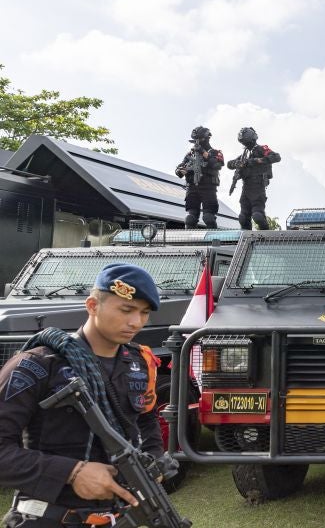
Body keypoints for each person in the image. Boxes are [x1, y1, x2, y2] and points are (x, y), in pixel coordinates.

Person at [0, 263, 164, 527]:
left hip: (116, 518)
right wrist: (72, 473)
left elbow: (147, 423)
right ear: (92, 306)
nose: (136, 322)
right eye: (126, 310)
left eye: (144, 313)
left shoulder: (139, 364)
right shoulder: (38, 365)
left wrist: (153, 463)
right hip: (46, 518)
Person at [226, 127, 281, 230]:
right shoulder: (244, 155)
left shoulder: (262, 149)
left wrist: (257, 161)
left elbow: (276, 157)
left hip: (258, 187)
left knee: (258, 216)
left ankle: (266, 237)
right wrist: (237, 163)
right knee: (243, 218)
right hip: (246, 188)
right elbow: (229, 164)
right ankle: (247, 240)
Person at [175, 126, 224, 229]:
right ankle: (190, 243)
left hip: (208, 188)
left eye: (199, 139)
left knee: (209, 218)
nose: (197, 142)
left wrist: (202, 151)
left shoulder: (215, 152)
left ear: (206, 138)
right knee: (190, 219)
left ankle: (215, 241)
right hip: (192, 188)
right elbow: (179, 169)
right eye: (195, 140)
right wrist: (181, 170)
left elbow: (217, 165)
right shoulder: (190, 154)